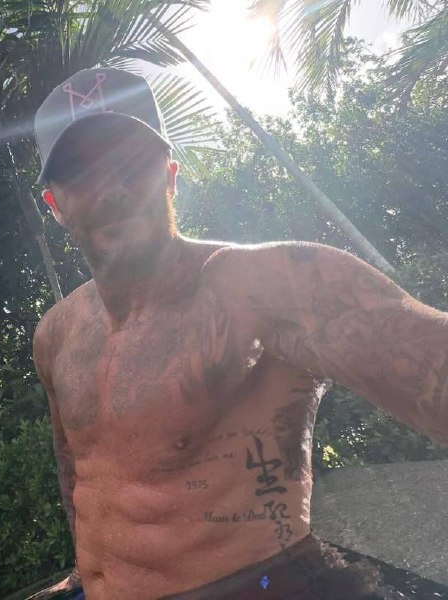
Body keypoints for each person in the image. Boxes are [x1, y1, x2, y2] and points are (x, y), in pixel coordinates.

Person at [29, 68, 448, 600]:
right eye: (83, 172)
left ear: (170, 175)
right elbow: (75, 464)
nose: (112, 188)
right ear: (55, 205)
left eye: (129, 160)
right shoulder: (56, 335)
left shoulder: (264, 285)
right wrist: (85, 571)